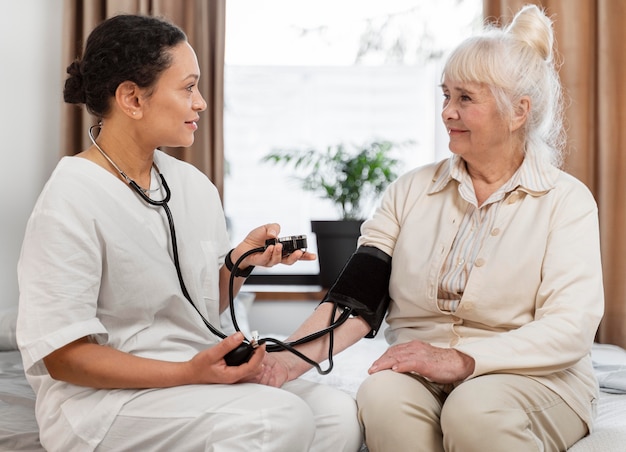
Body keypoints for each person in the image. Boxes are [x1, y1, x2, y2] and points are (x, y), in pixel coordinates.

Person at [253, 5, 604, 452]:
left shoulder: (565, 201)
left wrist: (461, 360)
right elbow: (356, 298)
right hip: (422, 372)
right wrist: (287, 360)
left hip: (532, 378)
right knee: (379, 395)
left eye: (465, 98)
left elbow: (570, 327)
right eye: (445, 96)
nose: (447, 113)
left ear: (518, 111)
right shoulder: (410, 191)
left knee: (474, 410)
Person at [16, 14, 363, 452]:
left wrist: (240, 264)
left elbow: (197, 307)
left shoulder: (192, 186)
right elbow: (65, 358)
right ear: (132, 99)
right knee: (277, 420)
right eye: (188, 87)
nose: (201, 103)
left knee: (337, 417)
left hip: (193, 377)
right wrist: (189, 372)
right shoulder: (70, 198)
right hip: (105, 402)